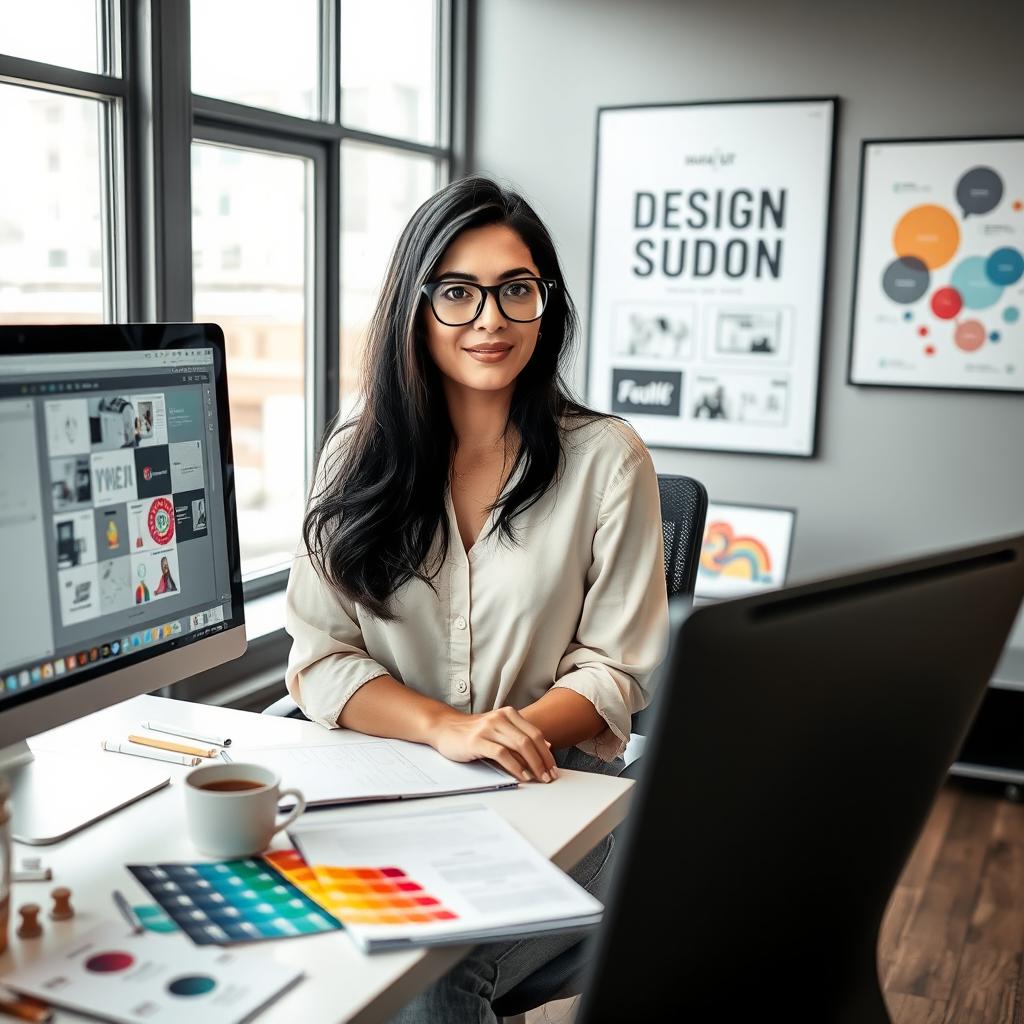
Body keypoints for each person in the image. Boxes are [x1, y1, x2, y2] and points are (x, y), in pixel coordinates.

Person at [285, 175, 669, 1023]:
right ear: (415, 308)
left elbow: (616, 670)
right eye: (457, 292)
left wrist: (510, 735)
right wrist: (446, 729)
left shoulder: (608, 458)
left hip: (560, 793)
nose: (489, 319)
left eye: (516, 290)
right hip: (384, 792)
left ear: (546, 304)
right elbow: (321, 656)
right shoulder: (356, 452)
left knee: (429, 968)